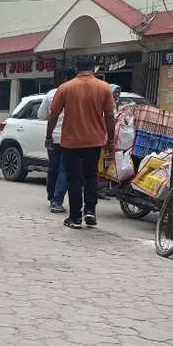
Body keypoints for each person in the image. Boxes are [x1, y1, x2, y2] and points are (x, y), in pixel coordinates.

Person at [46, 56, 116, 229]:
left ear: (76, 69)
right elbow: (110, 116)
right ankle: (90, 211)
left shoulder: (65, 88)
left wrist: (48, 136)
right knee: (91, 176)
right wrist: (110, 139)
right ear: (94, 69)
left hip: (71, 142)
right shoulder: (104, 88)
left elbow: (53, 115)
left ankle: (75, 218)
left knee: (74, 179)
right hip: (95, 141)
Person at [38, 86, 68, 213]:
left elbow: (41, 115)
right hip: (70, 137)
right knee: (64, 169)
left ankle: (52, 197)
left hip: (53, 136)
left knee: (53, 167)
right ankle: (57, 200)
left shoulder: (51, 93)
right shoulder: (76, 92)